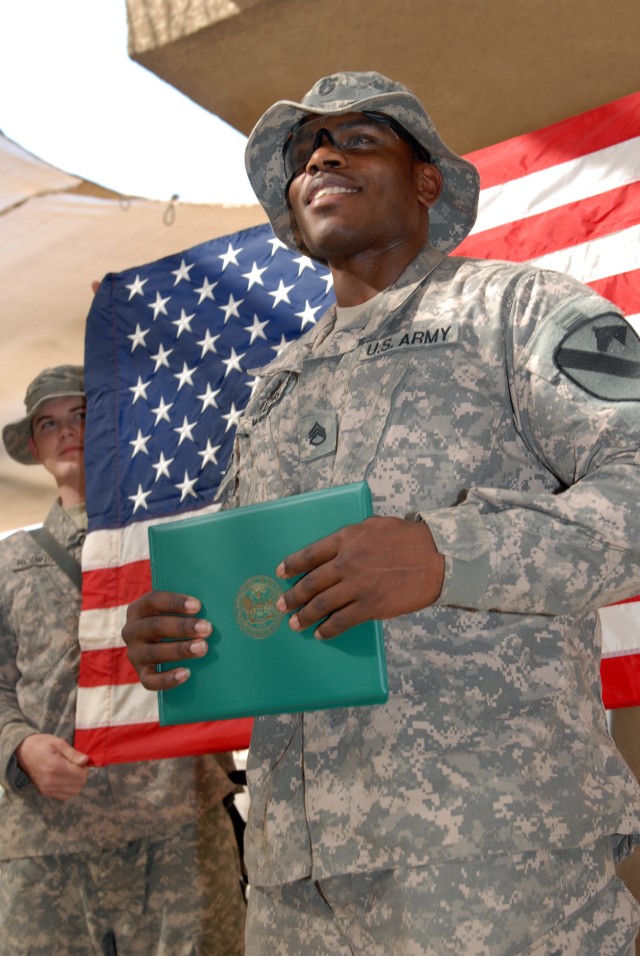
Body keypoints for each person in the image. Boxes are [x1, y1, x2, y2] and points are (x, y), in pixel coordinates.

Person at [122, 72, 640, 954]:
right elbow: (251, 587)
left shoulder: (519, 311)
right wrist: (181, 630)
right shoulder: (273, 390)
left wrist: (445, 553)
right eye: (304, 155)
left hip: (492, 852)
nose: (321, 156)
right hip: (297, 872)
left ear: (426, 181)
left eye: (357, 139)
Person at [0, 365, 246, 956]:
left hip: (176, 827)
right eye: (49, 423)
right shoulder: (10, 563)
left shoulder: (178, 534)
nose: (67, 432)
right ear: (34, 447)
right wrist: (19, 746)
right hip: (46, 843)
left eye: (82, 415)